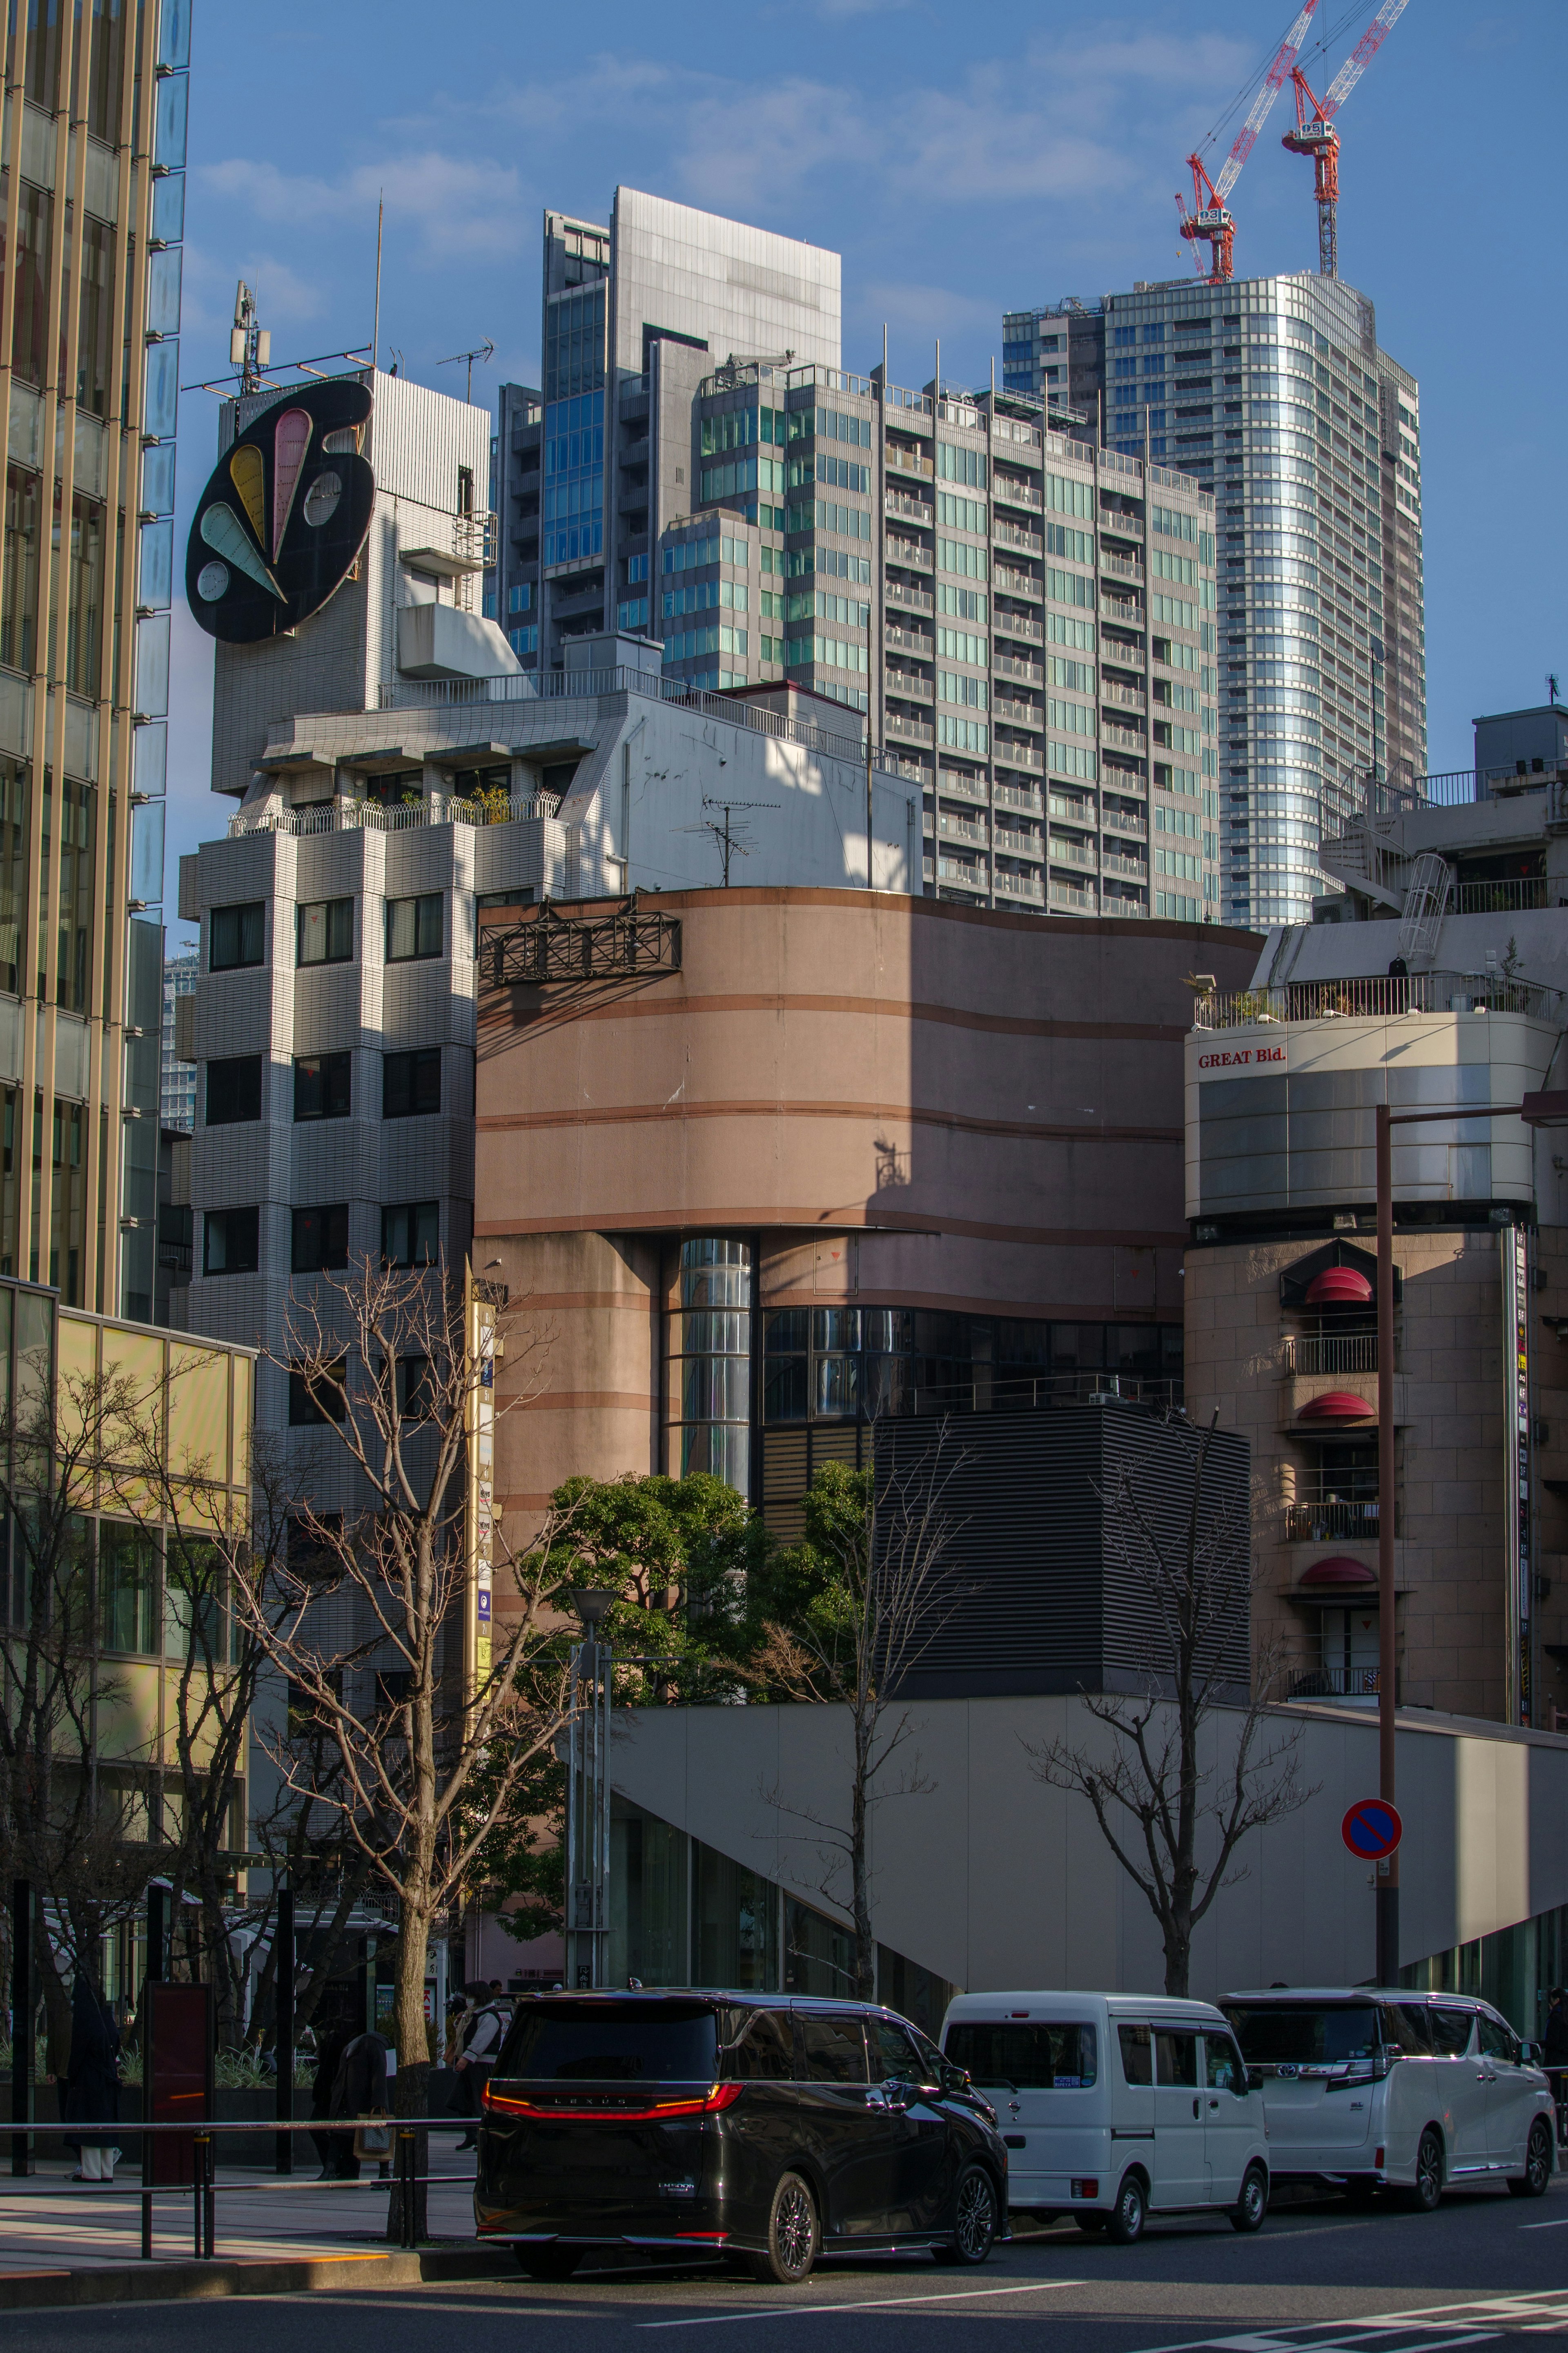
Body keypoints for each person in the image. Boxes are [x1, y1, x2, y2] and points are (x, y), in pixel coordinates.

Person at [61, 1975, 122, 2183]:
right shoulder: (106, 2016)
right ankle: (106, 2171)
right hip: (108, 2080)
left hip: (89, 2080)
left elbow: (78, 2052)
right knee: (105, 2129)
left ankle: (92, 2172)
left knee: (89, 2128)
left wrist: (72, 2077)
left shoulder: (85, 2018)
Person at [332, 2025, 393, 2181]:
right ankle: (352, 2173)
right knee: (349, 2135)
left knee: (378, 2137)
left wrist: (379, 2103)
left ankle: (384, 2175)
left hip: (367, 2100)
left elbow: (379, 2073)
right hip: (355, 2099)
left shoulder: (372, 2043)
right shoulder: (359, 2044)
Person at [452, 1979, 506, 2151]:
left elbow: (481, 2040)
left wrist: (466, 2058)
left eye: (471, 1996)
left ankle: (484, 2137)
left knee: (479, 2104)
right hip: (473, 2065)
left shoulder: (489, 2016)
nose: (468, 2000)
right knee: (461, 2101)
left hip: (482, 2065)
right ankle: (472, 2136)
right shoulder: (475, 2014)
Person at [309, 2004, 359, 2180]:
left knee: (331, 2131)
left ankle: (336, 2167)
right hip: (328, 2093)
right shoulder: (335, 2042)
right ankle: (338, 2167)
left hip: (332, 2094)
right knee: (325, 2130)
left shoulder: (340, 2042)